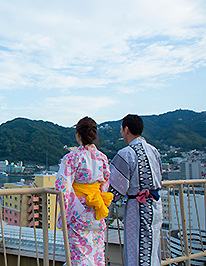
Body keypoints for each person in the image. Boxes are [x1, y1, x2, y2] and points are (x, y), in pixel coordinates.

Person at [55, 116, 113, 266]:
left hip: (78, 212)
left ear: (78, 135)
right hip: (96, 209)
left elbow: (63, 188)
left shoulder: (71, 158)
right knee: (97, 253)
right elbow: (105, 184)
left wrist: (65, 212)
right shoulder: (102, 158)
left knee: (79, 255)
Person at [109, 114, 162, 266]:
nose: (121, 132)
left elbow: (115, 188)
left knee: (137, 250)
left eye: (121, 128)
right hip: (155, 205)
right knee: (152, 249)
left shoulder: (126, 153)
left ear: (126, 129)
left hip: (137, 207)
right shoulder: (154, 151)